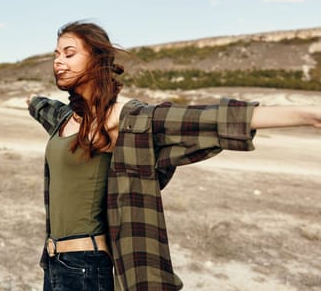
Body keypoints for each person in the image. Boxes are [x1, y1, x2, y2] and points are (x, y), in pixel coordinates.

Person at [26, 20, 321, 291]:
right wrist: (31, 100)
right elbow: (42, 107)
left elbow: (209, 119)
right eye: (56, 54)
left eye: (69, 53)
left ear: (96, 60)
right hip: (52, 263)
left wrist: (309, 115)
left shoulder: (121, 119)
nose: (58, 61)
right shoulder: (65, 119)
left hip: (87, 268)